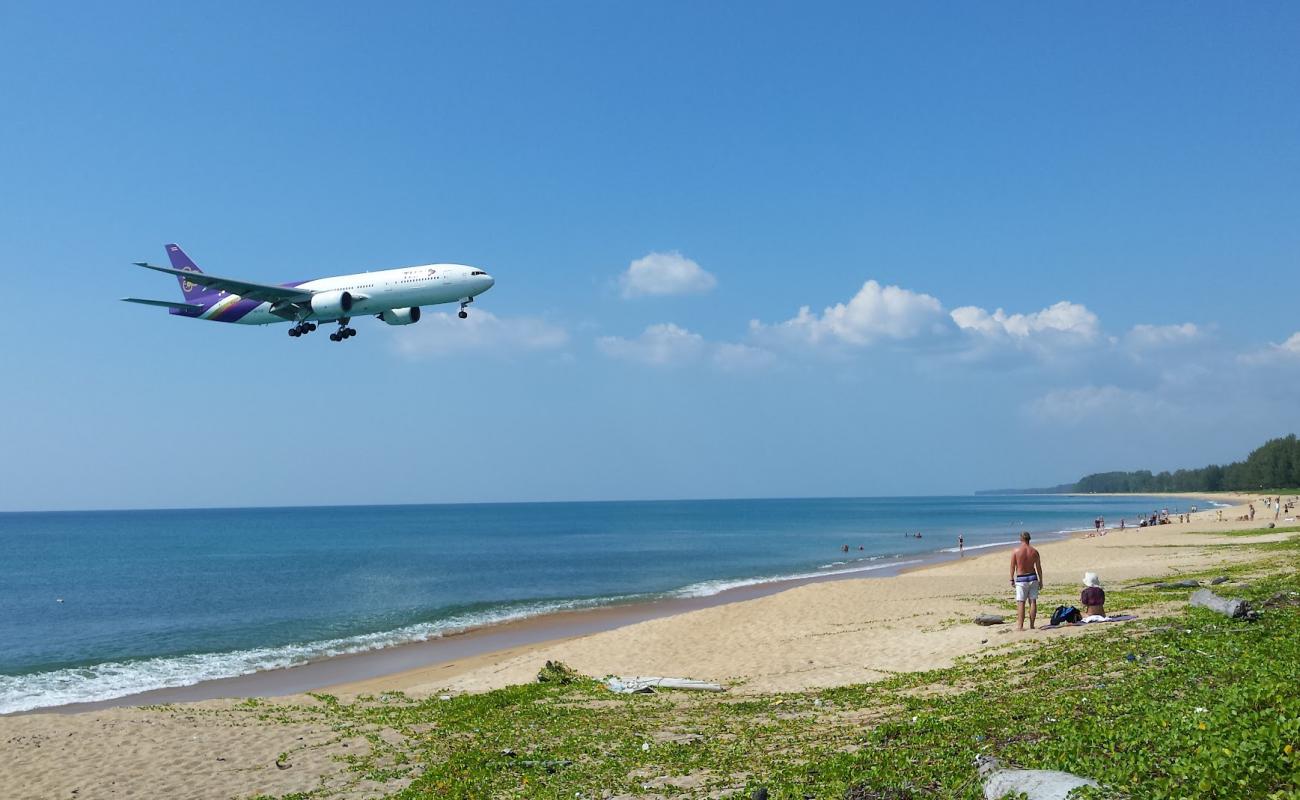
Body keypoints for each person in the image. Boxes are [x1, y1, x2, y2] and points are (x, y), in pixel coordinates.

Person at [1009, 531, 1043, 631]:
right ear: (1029, 539)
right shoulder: (1034, 551)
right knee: (1033, 601)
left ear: (1021, 539)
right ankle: (1032, 625)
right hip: (1033, 577)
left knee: (1021, 602)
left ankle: (1020, 626)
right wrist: (1041, 580)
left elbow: (1012, 566)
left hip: (1021, 578)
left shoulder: (1016, 551)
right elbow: (1038, 567)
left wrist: (1011, 578)